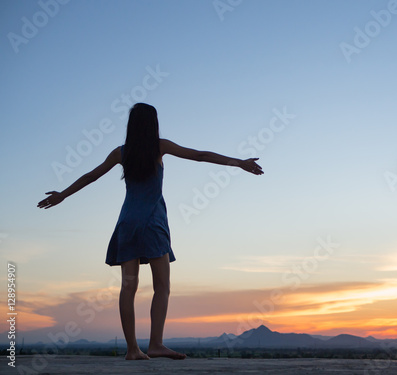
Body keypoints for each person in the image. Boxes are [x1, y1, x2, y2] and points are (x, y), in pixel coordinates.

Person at [37, 103, 263, 360]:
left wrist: (62, 195)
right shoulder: (160, 146)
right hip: (153, 223)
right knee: (162, 286)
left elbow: (91, 176)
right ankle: (155, 344)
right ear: (153, 124)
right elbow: (200, 155)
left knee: (128, 288)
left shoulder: (121, 153)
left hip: (127, 223)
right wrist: (239, 163)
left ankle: (133, 349)